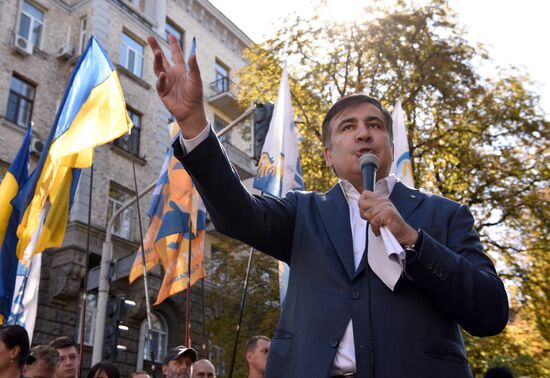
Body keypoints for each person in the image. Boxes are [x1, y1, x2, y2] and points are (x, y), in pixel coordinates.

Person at [148, 34, 509, 377]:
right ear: (328, 155)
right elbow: (237, 213)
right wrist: (193, 122)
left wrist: (413, 240)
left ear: (389, 141)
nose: (363, 133)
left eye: (374, 125)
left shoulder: (444, 214)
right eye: (348, 127)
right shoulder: (304, 213)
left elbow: (491, 312)